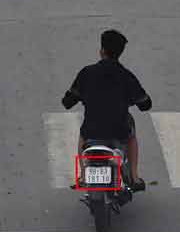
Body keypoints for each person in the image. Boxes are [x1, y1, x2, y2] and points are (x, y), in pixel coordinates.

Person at [61, 29, 151, 196]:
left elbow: (67, 102)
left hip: (92, 129)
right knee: (131, 136)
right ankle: (134, 177)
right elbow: (145, 103)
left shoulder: (87, 73)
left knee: (82, 135)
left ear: (102, 51)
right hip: (119, 129)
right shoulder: (126, 76)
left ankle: (82, 175)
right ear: (120, 53)